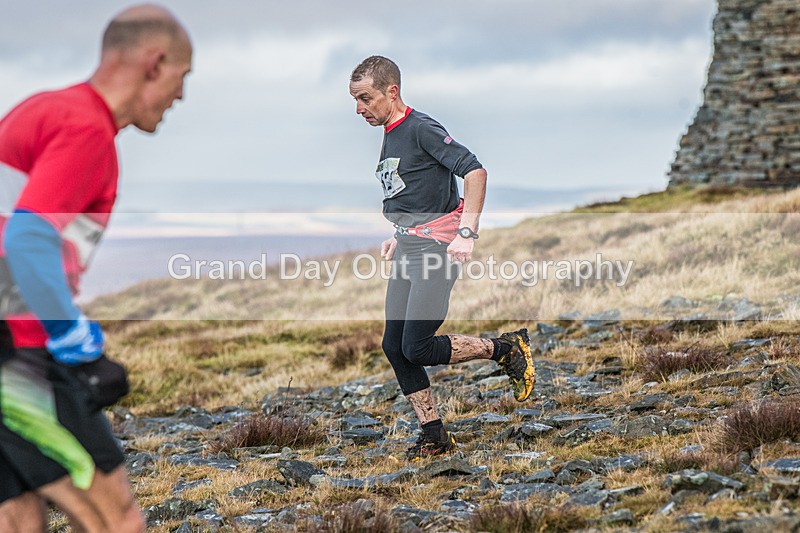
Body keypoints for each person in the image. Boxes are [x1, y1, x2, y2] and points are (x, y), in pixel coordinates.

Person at [0, 5, 192, 532]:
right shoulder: (86, 130)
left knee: (18, 518)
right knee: (117, 519)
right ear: (154, 64)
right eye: (182, 76)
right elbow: (29, 238)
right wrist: (75, 342)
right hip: (18, 352)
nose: (181, 95)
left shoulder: (40, 110)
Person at [348, 56, 536, 461]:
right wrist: (400, 234)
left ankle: (504, 349)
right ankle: (433, 435)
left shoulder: (421, 129)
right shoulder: (390, 132)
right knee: (394, 346)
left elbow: (475, 173)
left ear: (391, 91)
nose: (359, 109)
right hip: (410, 247)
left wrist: (467, 233)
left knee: (416, 347)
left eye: (365, 99)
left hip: (437, 252)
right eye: (355, 100)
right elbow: (414, 189)